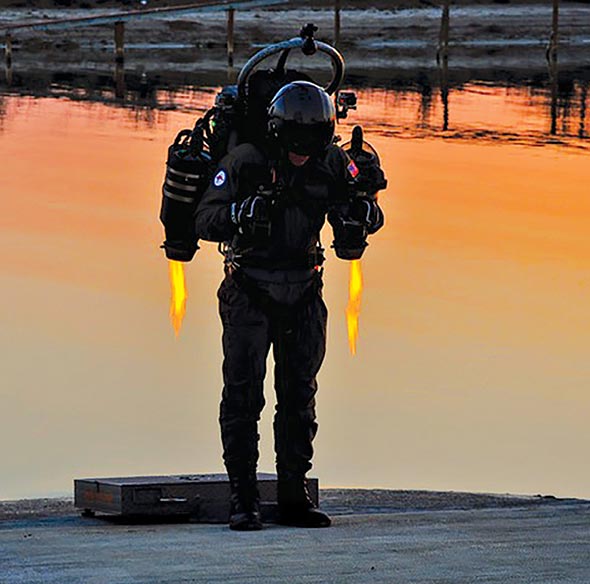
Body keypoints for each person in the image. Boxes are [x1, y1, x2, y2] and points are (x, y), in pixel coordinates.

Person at [194, 80, 385, 531]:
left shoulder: (332, 160)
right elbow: (205, 219)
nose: (303, 154)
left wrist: (365, 216)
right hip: (249, 291)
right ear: (278, 133)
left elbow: (362, 211)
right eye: (296, 147)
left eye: (312, 146)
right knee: (243, 395)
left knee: (300, 397)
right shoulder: (244, 161)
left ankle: (293, 494)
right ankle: (244, 498)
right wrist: (240, 213)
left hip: (304, 292)